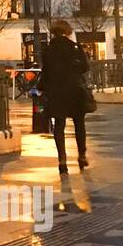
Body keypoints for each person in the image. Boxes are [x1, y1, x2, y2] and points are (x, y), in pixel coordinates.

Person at [38, 20, 90, 173]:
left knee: (59, 125)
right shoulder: (75, 47)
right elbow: (85, 67)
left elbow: (46, 72)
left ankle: (62, 159)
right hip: (74, 90)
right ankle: (81, 155)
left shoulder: (48, 50)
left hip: (56, 91)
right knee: (79, 123)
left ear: (53, 32)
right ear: (67, 31)